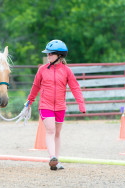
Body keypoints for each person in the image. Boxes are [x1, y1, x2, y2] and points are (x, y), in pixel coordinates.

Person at [27, 40, 86, 170]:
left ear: (59, 55)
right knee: (50, 130)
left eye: (50, 54)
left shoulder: (67, 71)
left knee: (57, 133)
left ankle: (56, 161)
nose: (48, 56)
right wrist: (29, 101)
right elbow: (36, 86)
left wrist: (81, 103)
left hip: (60, 106)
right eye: (47, 54)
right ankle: (52, 156)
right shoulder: (42, 70)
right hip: (45, 105)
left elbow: (75, 87)